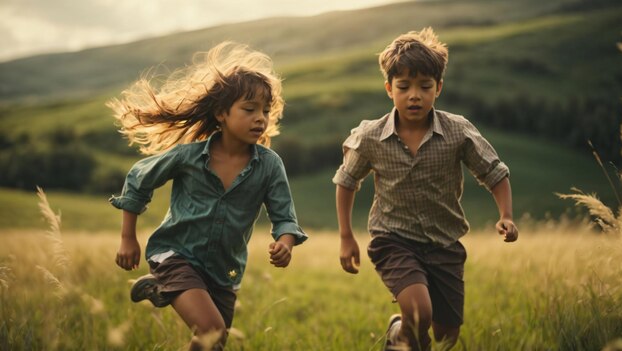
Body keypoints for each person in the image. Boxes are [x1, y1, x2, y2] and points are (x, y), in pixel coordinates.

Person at [108, 42, 307, 351]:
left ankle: (162, 290)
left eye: (265, 111)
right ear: (221, 113)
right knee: (212, 330)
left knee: (212, 343)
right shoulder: (188, 157)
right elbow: (139, 178)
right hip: (175, 255)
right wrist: (127, 238)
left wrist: (285, 243)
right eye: (249, 109)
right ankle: (167, 282)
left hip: (224, 271)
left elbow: (285, 218)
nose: (260, 118)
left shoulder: (270, 166)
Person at [333, 28, 518, 351]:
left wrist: (506, 215)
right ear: (389, 89)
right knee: (419, 312)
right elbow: (346, 181)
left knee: (447, 334)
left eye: (424, 87)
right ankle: (405, 334)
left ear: (439, 88)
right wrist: (346, 237)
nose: (414, 95)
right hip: (393, 240)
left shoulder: (457, 131)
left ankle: (398, 335)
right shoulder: (372, 136)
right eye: (404, 87)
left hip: (445, 243)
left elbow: (494, 172)